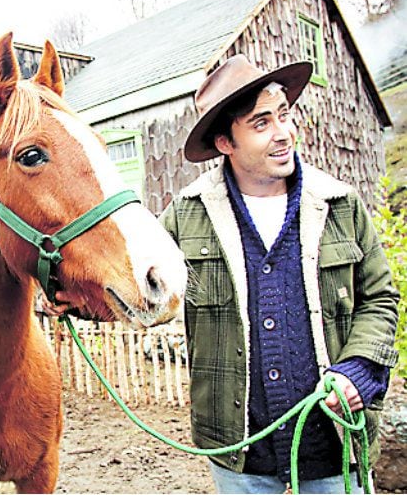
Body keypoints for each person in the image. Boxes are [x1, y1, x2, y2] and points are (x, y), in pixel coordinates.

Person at [158, 55, 400, 493]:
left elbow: (380, 299)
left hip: (334, 446)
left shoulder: (340, 205)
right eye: (261, 122)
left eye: (284, 115)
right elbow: (138, 284)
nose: (283, 133)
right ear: (225, 143)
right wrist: (71, 292)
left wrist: (358, 371)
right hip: (240, 453)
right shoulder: (185, 217)